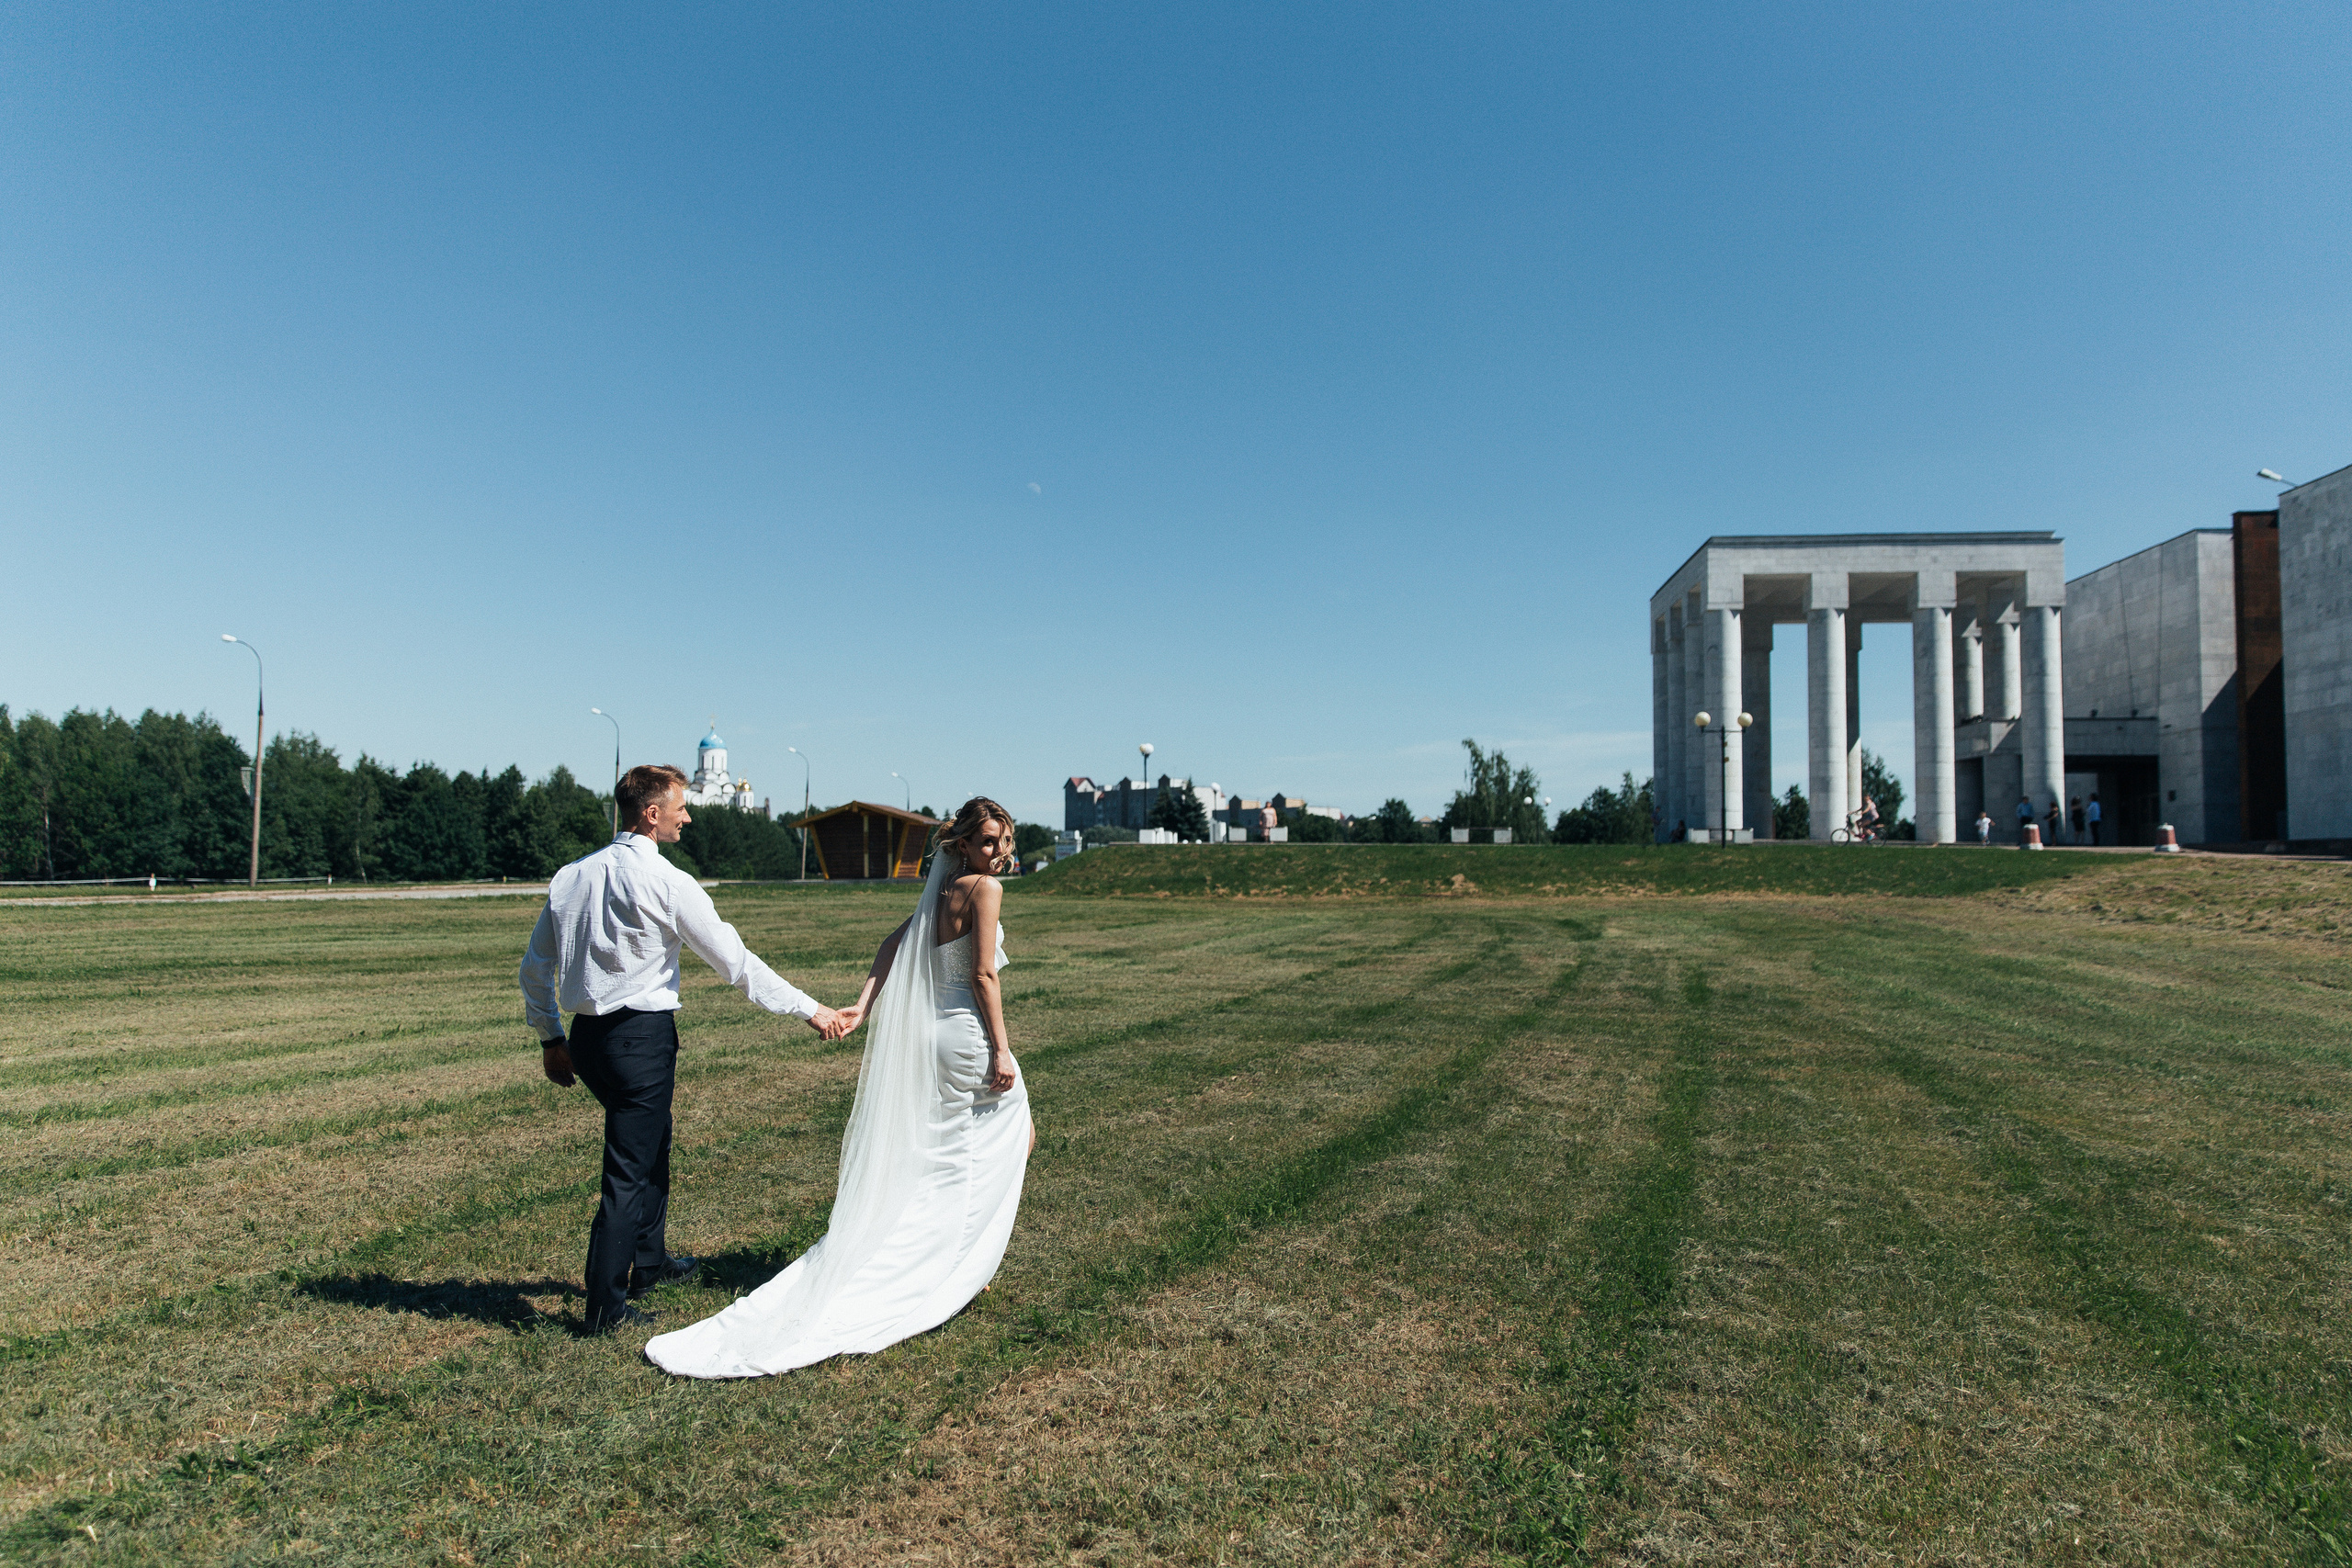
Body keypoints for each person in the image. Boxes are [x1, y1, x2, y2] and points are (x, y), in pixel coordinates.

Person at [646, 797, 1035, 1378]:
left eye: (1003, 841)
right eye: (986, 841)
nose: (998, 853)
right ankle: (960, 1266)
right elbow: (982, 975)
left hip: (935, 1038)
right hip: (970, 1036)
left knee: (960, 1150)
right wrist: (1002, 1049)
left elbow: (892, 945)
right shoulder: (984, 889)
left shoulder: (942, 890)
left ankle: (956, 1259)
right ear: (961, 844)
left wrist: (863, 1003)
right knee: (1013, 1135)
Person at [520, 763, 846, 1336]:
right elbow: (735, 964)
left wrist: (552, 1037)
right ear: (652, 815)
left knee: (652, 1141)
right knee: (627, 1170)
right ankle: (604, 1308)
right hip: (639, 1042)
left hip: (588, 1040)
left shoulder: (571, 877)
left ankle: (649, 1262)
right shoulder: (670, 882)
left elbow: (534, 967)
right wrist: (810, 1009)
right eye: (680, 807)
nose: (688, 817)